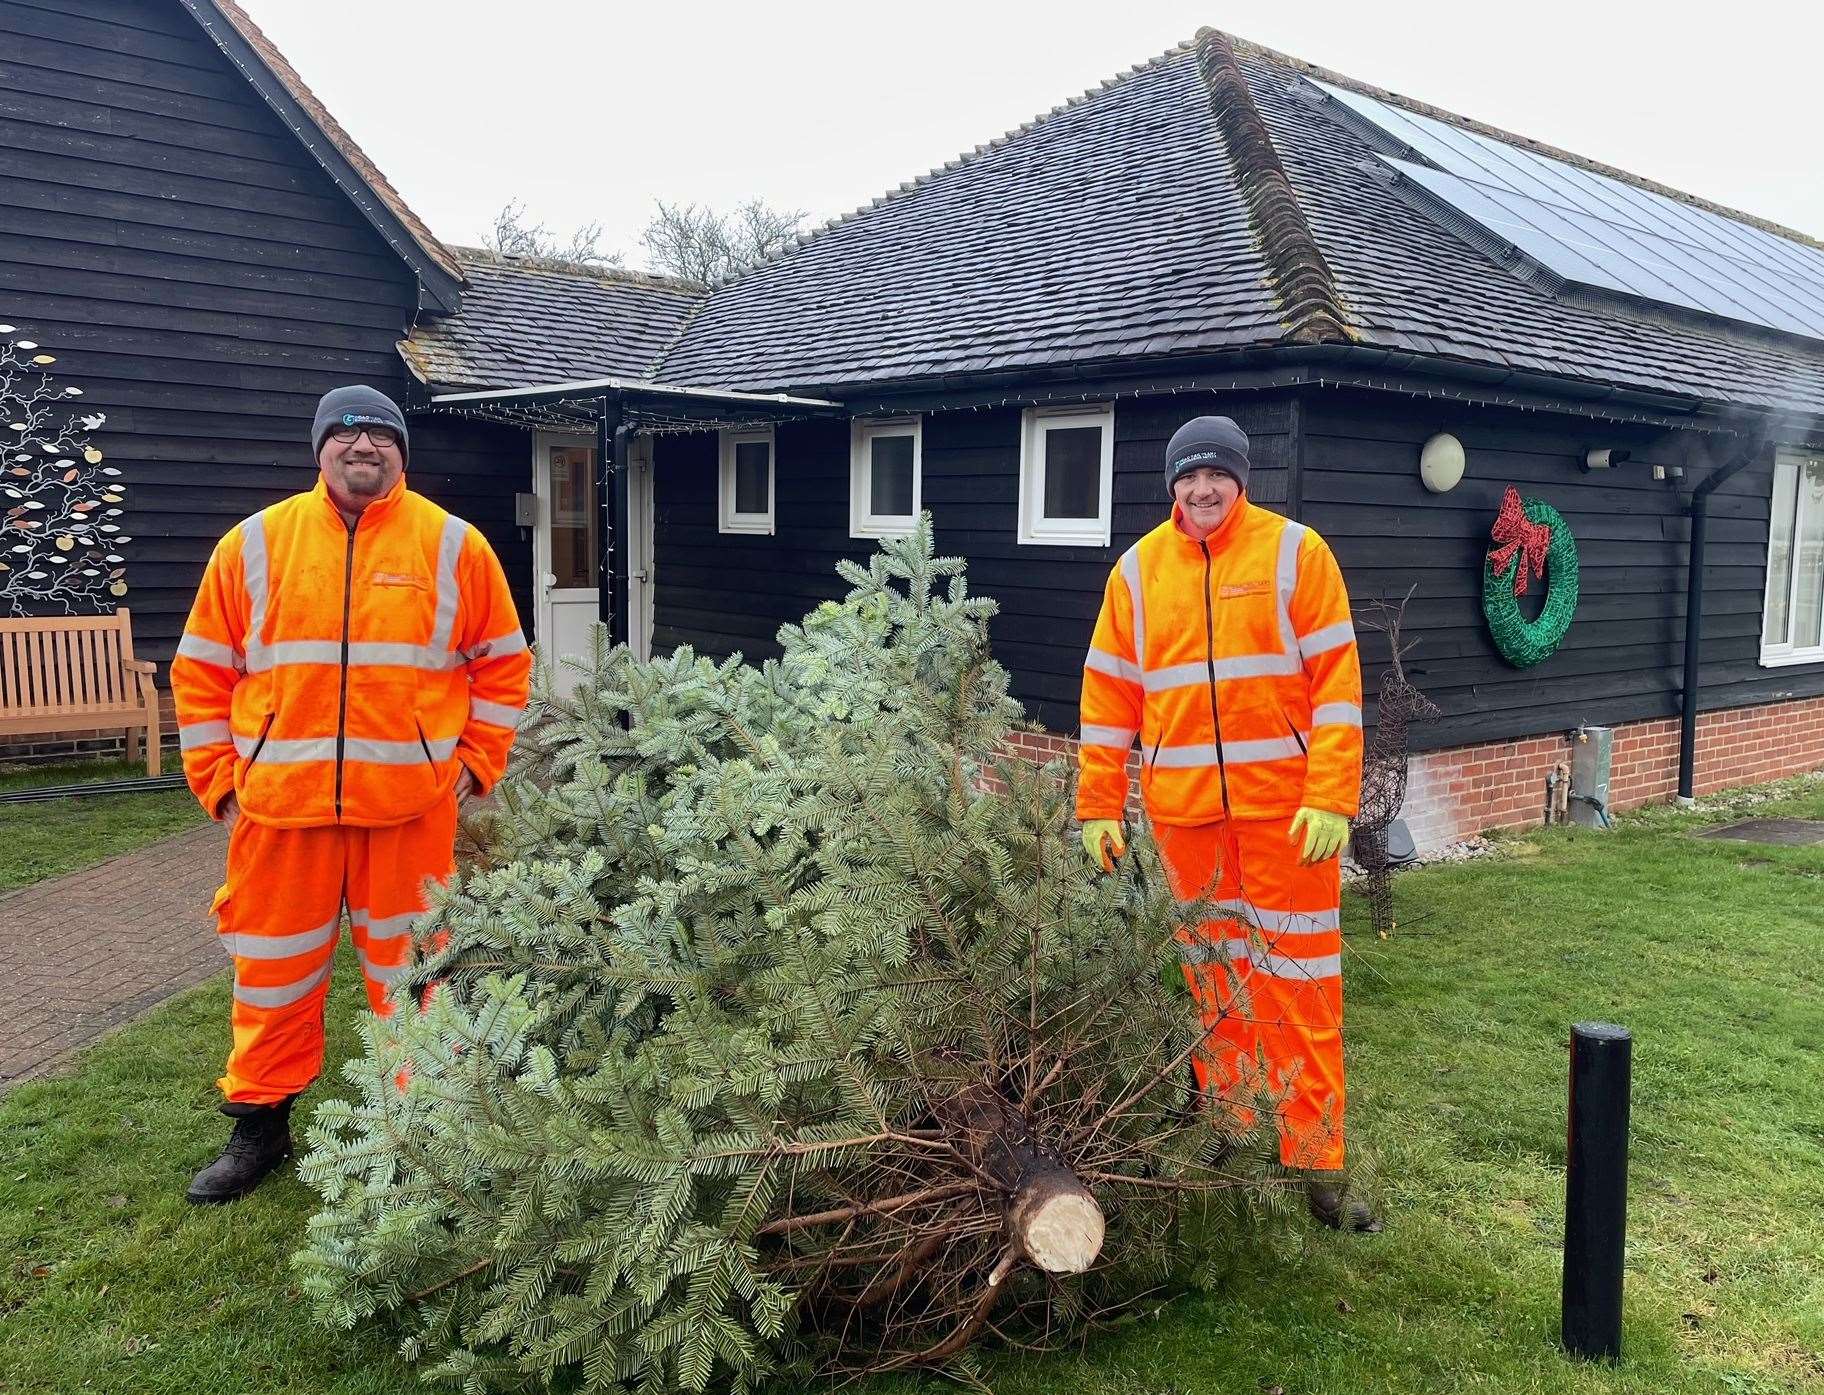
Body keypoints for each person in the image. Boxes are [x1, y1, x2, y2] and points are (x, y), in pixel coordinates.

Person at [171, 385, 531, 1204]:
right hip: (277, 813)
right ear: (319, 448)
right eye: (345, 431)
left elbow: (504, 664)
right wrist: (217, 779)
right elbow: (200, 670)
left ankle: (420, 1124)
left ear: (403, 453)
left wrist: (478, 759)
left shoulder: (455, 545)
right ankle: (259, 1125)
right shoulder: (253, 544)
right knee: (270, 975)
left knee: (413, 975)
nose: (361, 444)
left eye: (380, 434)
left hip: (408, 810)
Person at [1075, 415, 1375, 1230]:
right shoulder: (1137, 573)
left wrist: (1330, 793)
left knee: (1300, 984)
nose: (1202, 490)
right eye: (1187, 477)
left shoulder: (1295, 553)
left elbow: (1338, 684)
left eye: (1217, 476)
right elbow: (1108, 701)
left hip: (1288, 817)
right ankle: (1228, 1129)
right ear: (1171, 484)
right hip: (1186, 817)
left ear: (1242, 479)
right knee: (1213, 983)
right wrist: (1099, 804)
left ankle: (1318, 1163)